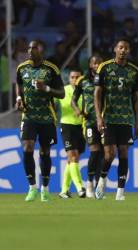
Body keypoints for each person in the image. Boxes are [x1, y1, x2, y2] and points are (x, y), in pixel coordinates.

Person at [15, 40, 65, 202]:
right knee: (27, 146)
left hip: (47, 117)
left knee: (45, 152)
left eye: (34, 47)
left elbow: (62, 94)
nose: (30, 50)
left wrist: (47, 89)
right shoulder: (22, 68)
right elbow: (19, 83)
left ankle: (45, 189)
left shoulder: (51, 69)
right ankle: (32, 187)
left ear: (42, 50)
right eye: (29, 47)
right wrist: (18, 98)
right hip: (29, 116)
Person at [94, 38, 138, 201]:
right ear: (115, 49)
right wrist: (99, 117)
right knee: (109, 154)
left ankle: (120, 192)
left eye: (126, 48)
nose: (123, 50)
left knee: (123, 152)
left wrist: (137, 122)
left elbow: (136, 98)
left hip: (126, 119)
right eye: (120, 47)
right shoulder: (104, 67)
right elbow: (97, 95)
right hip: (108, 118)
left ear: (129, 51)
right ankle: (102, 180)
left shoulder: (134, 71)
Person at [72, 55, 104, 198]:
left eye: (99, 63)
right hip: (89, 121)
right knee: (95, 152)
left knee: (104, 154)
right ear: (90, 65)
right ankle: (89, 183)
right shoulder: (82, 81)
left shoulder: (107, 80)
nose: (97, 65)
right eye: (94, 63)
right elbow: (73, 100)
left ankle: (99, 186)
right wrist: (78, 110)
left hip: (104, 121)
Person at [57, 67, 86, 199]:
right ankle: (80, 188)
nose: (75, 79)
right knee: (73, 157)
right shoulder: (64, 90)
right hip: (67, 125)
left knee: (73, 159)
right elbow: (58, 103)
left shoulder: (85, 91)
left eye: (77, 77)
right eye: (72, 77)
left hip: (81, 126)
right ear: (69, 79)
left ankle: (64, 190)